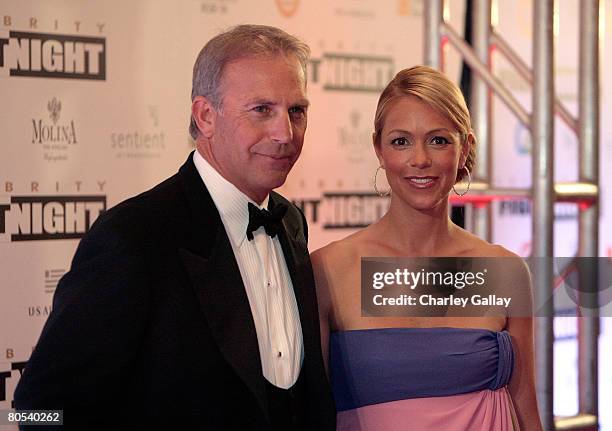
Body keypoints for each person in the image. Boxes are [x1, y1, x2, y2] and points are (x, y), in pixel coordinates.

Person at [14, 24, 336, 430]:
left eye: (297, 111)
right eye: (262, 110)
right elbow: (36, 411)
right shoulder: (133, 237)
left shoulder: (289, 222)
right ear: (205, 116)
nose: (285, 133)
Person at [311, 65, 543, 430]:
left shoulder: (502, 271)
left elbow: (526, 406)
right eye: (401, 141)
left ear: (465, 148)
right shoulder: (329, 269)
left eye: (439, 140)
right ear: (379, 148)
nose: (420, 159)